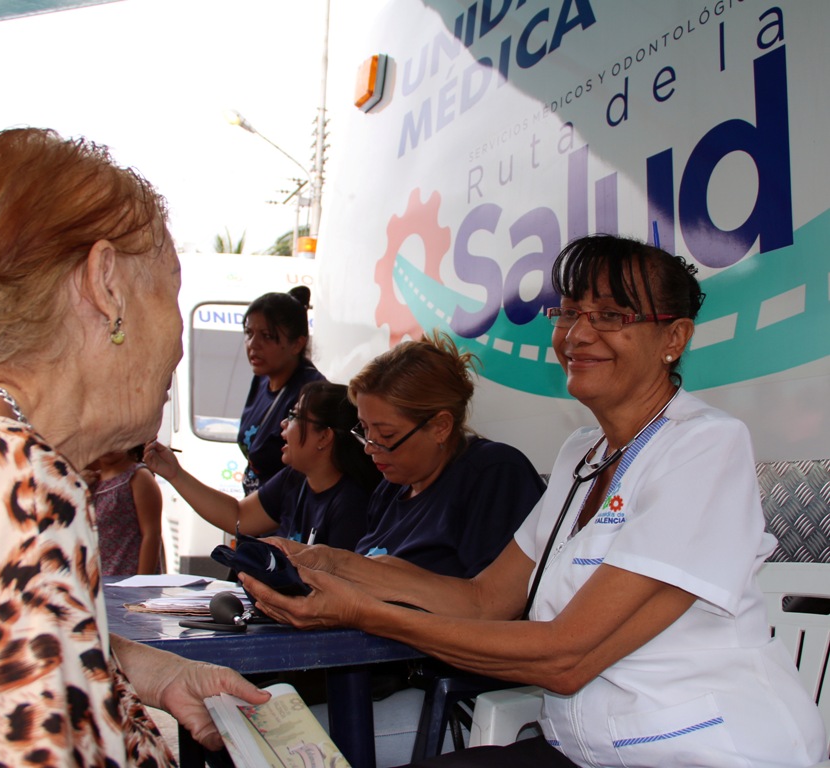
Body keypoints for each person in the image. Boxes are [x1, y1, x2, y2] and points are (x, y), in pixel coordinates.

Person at [243, 234, 827, 767]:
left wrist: (365, 612)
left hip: (706, 751)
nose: (578, 333)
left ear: (674, 337)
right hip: (587, 752)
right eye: (570, 312)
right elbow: (482, 601)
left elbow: (565, 658)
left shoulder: (704, 447)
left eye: (611, 315)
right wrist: (332, 565)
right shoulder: (583, 452)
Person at [0, 127, 269, 766]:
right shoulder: (21, 488)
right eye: (172, 289)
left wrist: (143, 668)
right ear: (105, 285)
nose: (178, 339)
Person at [348, 331, 545, 579]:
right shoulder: (388, 491)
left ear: (441, 426)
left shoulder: (494, 476)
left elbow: (492, 603)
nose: (369, 447)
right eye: (364, 429)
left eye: (386, 435)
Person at [146, 380, 378, 551]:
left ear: (324, 437)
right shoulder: (293, 479)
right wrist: (175, 474)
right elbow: (239, 516)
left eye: (294, 416)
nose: (283, 424)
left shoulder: (351, 503)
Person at [238, 286, 325, 494]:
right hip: (255, 511)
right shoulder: (261, 380)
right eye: (249, 333)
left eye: (267, 336)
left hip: (285, 518)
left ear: (297, 344)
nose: (253, 344)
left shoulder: (311, 394)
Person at [91, 445, 164, 575]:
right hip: (97, 580)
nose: (109, 446)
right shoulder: (91, 480)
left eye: (115, 439)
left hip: (128, 580)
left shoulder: (138, 476)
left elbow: (152, 534)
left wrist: (142, 583)